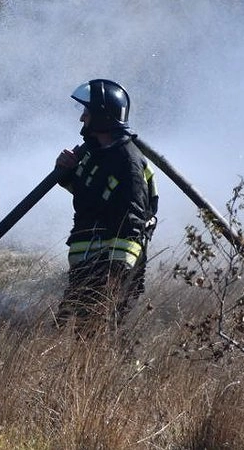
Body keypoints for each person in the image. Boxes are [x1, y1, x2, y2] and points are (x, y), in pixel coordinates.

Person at [54, 79, 158, 338]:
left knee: (104, 336)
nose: (82, 118)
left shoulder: (128, 161)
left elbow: (133, 221)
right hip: (88, 264)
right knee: (81, 337)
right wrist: (65, 172)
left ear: (101, 116)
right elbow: (89, 195)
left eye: (87, 113)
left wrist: (114, 274)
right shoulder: (93, 153)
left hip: (111, 268)